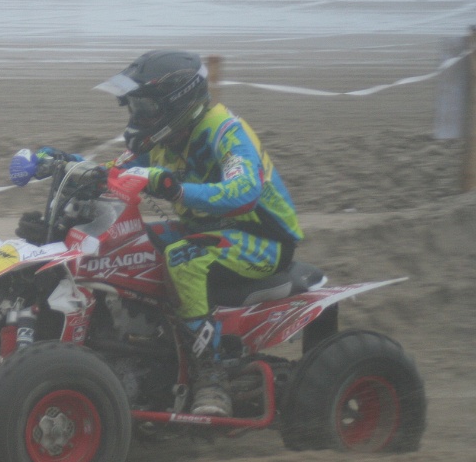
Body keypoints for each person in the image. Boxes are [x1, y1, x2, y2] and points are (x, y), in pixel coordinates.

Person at [17, 50, 304, 417]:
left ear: (177, 102)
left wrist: (176, 190)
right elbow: (111, 172)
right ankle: (141, 345)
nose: (137, 116)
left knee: (183, 258)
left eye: (144, 106)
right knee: (127, 246)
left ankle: (210, 374)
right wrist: (57, 161)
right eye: (133, 106)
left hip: (263, 238)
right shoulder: (165, 140)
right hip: (205, 228)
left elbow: (245, 191)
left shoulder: (224, 131)